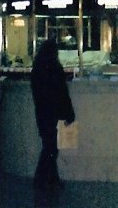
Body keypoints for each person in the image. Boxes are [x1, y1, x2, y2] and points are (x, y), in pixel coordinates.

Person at [30, 39, 75, 192]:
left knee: (49, 147)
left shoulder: (37, 68)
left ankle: (51, 180)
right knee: (51, 149)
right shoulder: (55, 68)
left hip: (42, 114)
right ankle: (42, 179)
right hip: (55, 114)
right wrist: (69, 114)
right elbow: (62, 93)